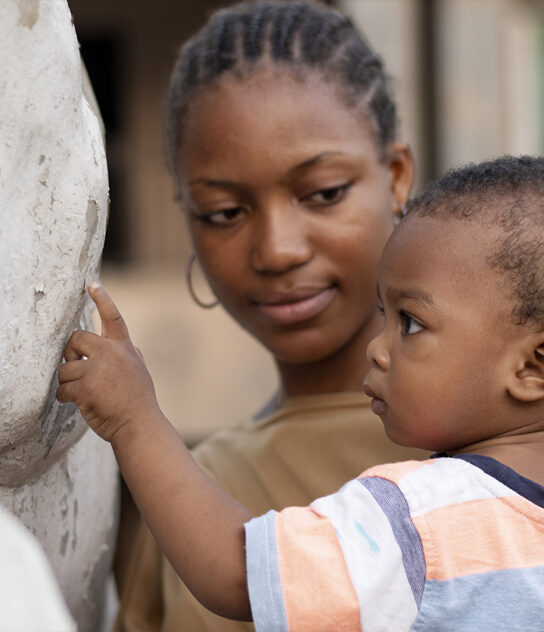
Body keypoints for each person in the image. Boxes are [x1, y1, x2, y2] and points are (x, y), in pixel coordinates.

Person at [58, 155, 544, 630]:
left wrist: (134, 420)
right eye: (383, 315)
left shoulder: (417, 520)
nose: (377, 349)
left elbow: (234, 573)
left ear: (533, 367)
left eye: (411, 324)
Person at [113, 1, 428, 628]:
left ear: (394, 178)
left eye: (323, 194)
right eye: (225, 212)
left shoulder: (512, 446)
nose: (278, 249)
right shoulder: (185, 497)